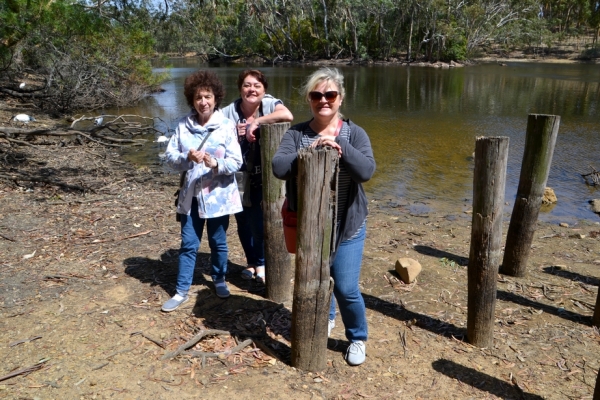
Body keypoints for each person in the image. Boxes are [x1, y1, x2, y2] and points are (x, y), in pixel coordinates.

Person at [271, 67, 375, 366]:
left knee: (345, 287)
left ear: (340, 98)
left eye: (329, 94)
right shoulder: (297, 133)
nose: (323, 100)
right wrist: (310, 150)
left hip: (348, 225)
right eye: (317, 95)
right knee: (318, 276)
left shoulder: (354, 133)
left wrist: (339, 148)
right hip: (312, 225)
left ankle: (357, 337)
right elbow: (279, 167)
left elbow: (367, 171)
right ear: (309, 99)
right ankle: (326, 317)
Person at [162, 70, 243, 312]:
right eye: (198, 97)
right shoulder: (182, 126)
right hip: (191, 198)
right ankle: (181, 290)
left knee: (218, 243)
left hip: (219, 198)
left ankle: (219, 279)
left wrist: (216, 164)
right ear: (192, 99)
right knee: (188, 244)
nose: (203, 102)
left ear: (216, 98)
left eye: (207, 96)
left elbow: (236, 162)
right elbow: (169, 157)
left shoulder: (227, 126)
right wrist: (186, 158)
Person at [221, 70, 293, 284]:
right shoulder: (228, 112)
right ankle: (252, 262)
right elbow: (213, 131)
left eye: (257, 86)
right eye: (246, 85)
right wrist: (232, 132)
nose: (251, 90)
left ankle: (262, 262)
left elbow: (287, 115)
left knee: (260, 222)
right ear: (240, 88)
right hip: (238, 175)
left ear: (264, 90)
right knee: (242, 220)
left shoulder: (270, 104)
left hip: (267, 177)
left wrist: (257, 122)